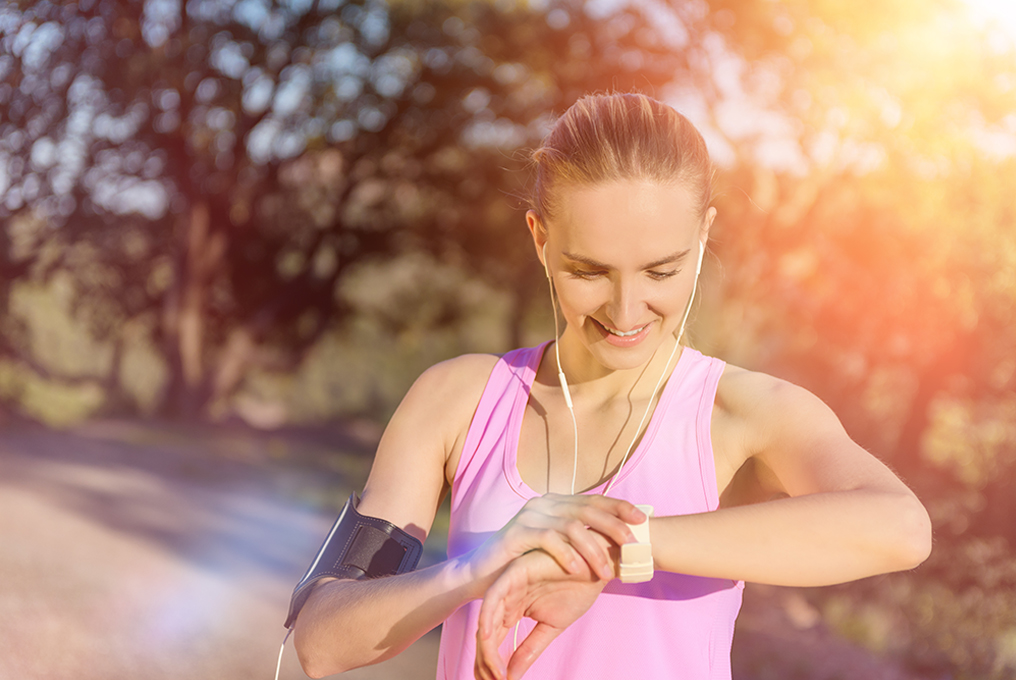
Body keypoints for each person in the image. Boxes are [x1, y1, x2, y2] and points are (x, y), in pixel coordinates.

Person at [290, 92, 932, 680]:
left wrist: (605, 547)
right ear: (540, 239)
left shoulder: (741, 413)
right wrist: (483, 568)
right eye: (588, 271)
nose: (627, 313)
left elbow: (900, 527)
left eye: (662, 271)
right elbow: (320, 641)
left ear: (704, 235)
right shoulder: (457, 400)